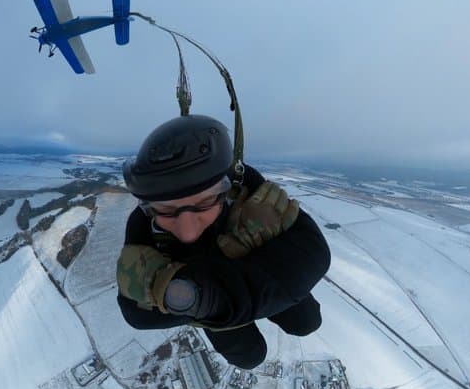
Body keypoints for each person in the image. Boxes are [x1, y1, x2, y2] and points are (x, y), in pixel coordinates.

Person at [116, 114, 331, 370]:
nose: (186, 232)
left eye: (203, 203)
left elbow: (313, 253)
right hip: (255, 284)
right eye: (166, 210)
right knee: (250, 357)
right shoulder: (143, 224)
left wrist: (194, 295)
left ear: (227, 187)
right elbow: (135, 313)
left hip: (217, 301)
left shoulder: (250, 191)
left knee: (306, 322)